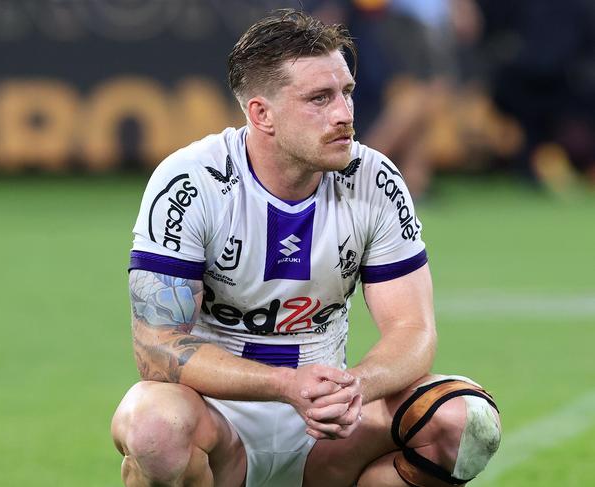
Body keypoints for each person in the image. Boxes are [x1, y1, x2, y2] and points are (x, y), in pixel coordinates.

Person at [111, 9, 501, 487]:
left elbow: (413, 330)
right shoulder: (191, 182)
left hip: (330, 426)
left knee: (464, 420)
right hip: (218, 421)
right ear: (262, 114)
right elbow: (157, 346)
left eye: (346, 93)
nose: (344, 114)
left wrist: (356, 385)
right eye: (319, 98)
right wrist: (285, 386)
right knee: (153, 428)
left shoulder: (373, 179)